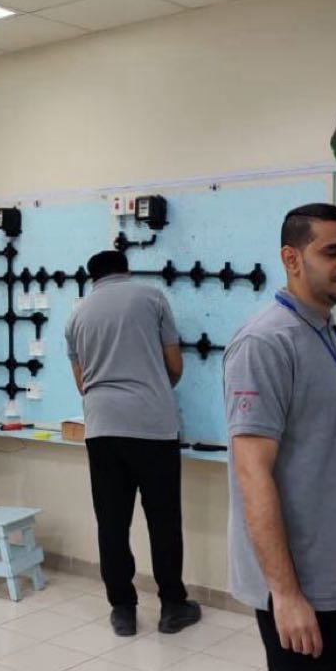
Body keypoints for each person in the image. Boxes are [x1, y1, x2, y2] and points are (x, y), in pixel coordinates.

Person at [224, 203, 336, 671]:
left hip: (330, 570)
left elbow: (329, 457)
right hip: (296, 581)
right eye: (331, 252)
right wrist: (285, 595)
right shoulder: (265, 343)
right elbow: (253, 475)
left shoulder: (323, 331)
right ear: (291, 259)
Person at [65, 250, 201, 637]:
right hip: (152, 426)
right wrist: (151, 388)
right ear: (126, 270)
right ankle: (172, 606)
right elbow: (174, 366)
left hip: (102, 428)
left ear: (93, 278)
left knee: (111, 522)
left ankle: (122, 610)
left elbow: (82, 383)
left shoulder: (77, 314)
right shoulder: (152, 297)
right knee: (163, 520)